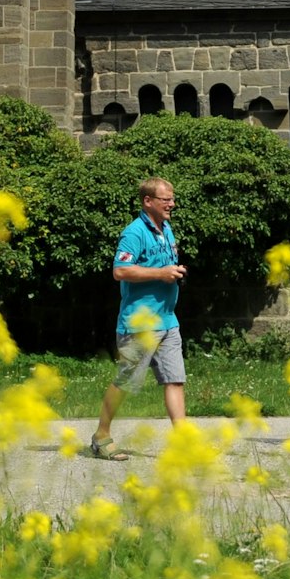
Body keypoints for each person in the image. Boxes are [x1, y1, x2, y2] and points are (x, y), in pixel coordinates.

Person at [87, 177, 185, 460]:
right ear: (148, 201)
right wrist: (161, 273)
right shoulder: (134, 232)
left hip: (167, 320)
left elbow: (162, 264)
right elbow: (120, 271)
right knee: (125, 382)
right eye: (166, 199)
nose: (172, 204)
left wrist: (175, 270)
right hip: (140, 324)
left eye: (172, 198)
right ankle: (101, 436)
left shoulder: (166, 228)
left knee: (175, 380)